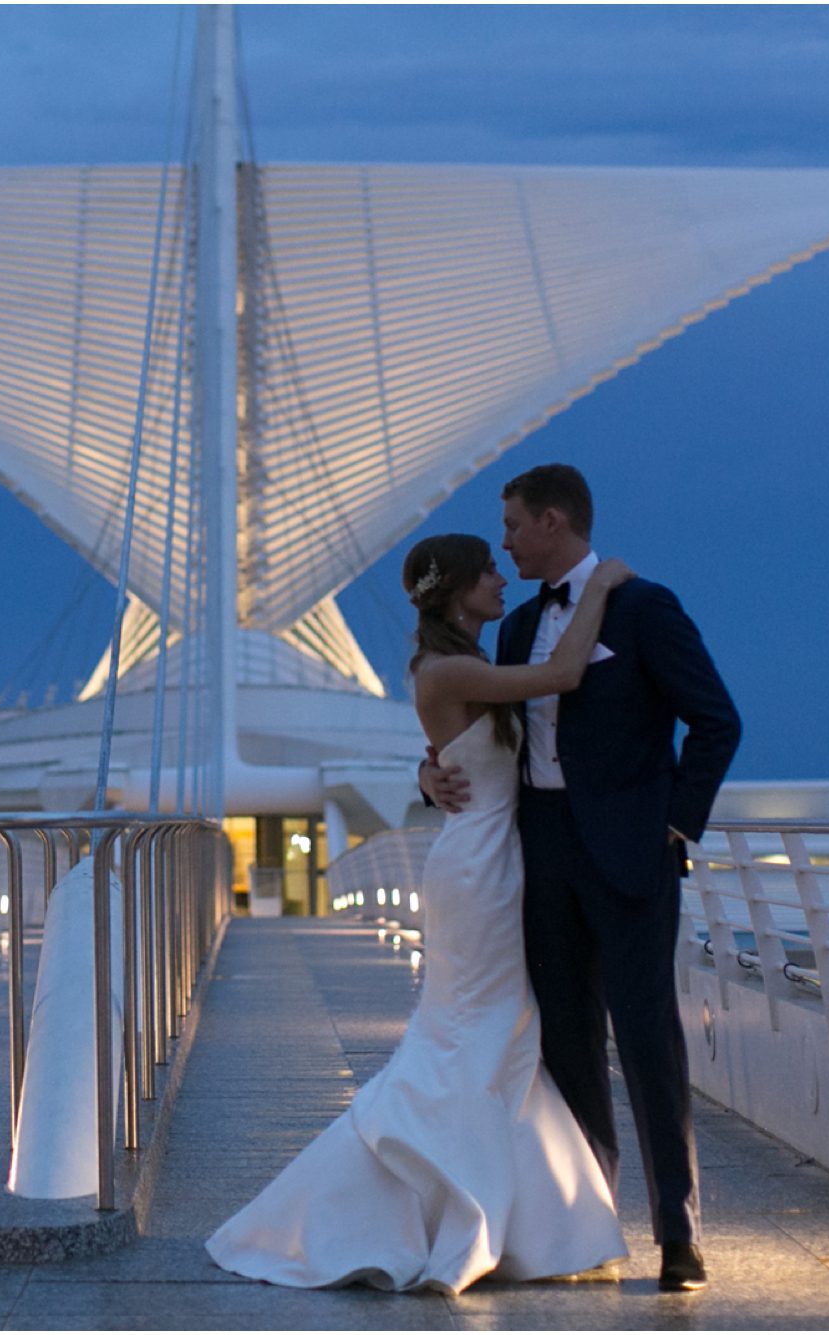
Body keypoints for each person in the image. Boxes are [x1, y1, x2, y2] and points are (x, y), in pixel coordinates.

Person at [206, 533, 633, 1294]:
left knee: (487, 1024)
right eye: (490, 573)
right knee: (474, 1025)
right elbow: (564, 674)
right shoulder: (450, 669)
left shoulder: (458, 665)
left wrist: (427, 769)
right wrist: (601, 583)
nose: (503, 581)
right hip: (477, 870)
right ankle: (457, 1211)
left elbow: (476, 741)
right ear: (461, 588)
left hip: (488, 858)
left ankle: (499, 1210)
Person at [421, 463, 741, 1293]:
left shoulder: (644, 608)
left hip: (632, 853)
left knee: (645, 1037)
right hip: (540, 854)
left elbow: (717, 719)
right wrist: (431, 772)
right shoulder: (521, 623)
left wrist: (676, 821)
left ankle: (679, 1232)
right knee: (566, 1045)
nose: (505, 544)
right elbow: (480, 730)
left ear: (553, 521)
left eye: (514, 527)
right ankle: (590, 1224)